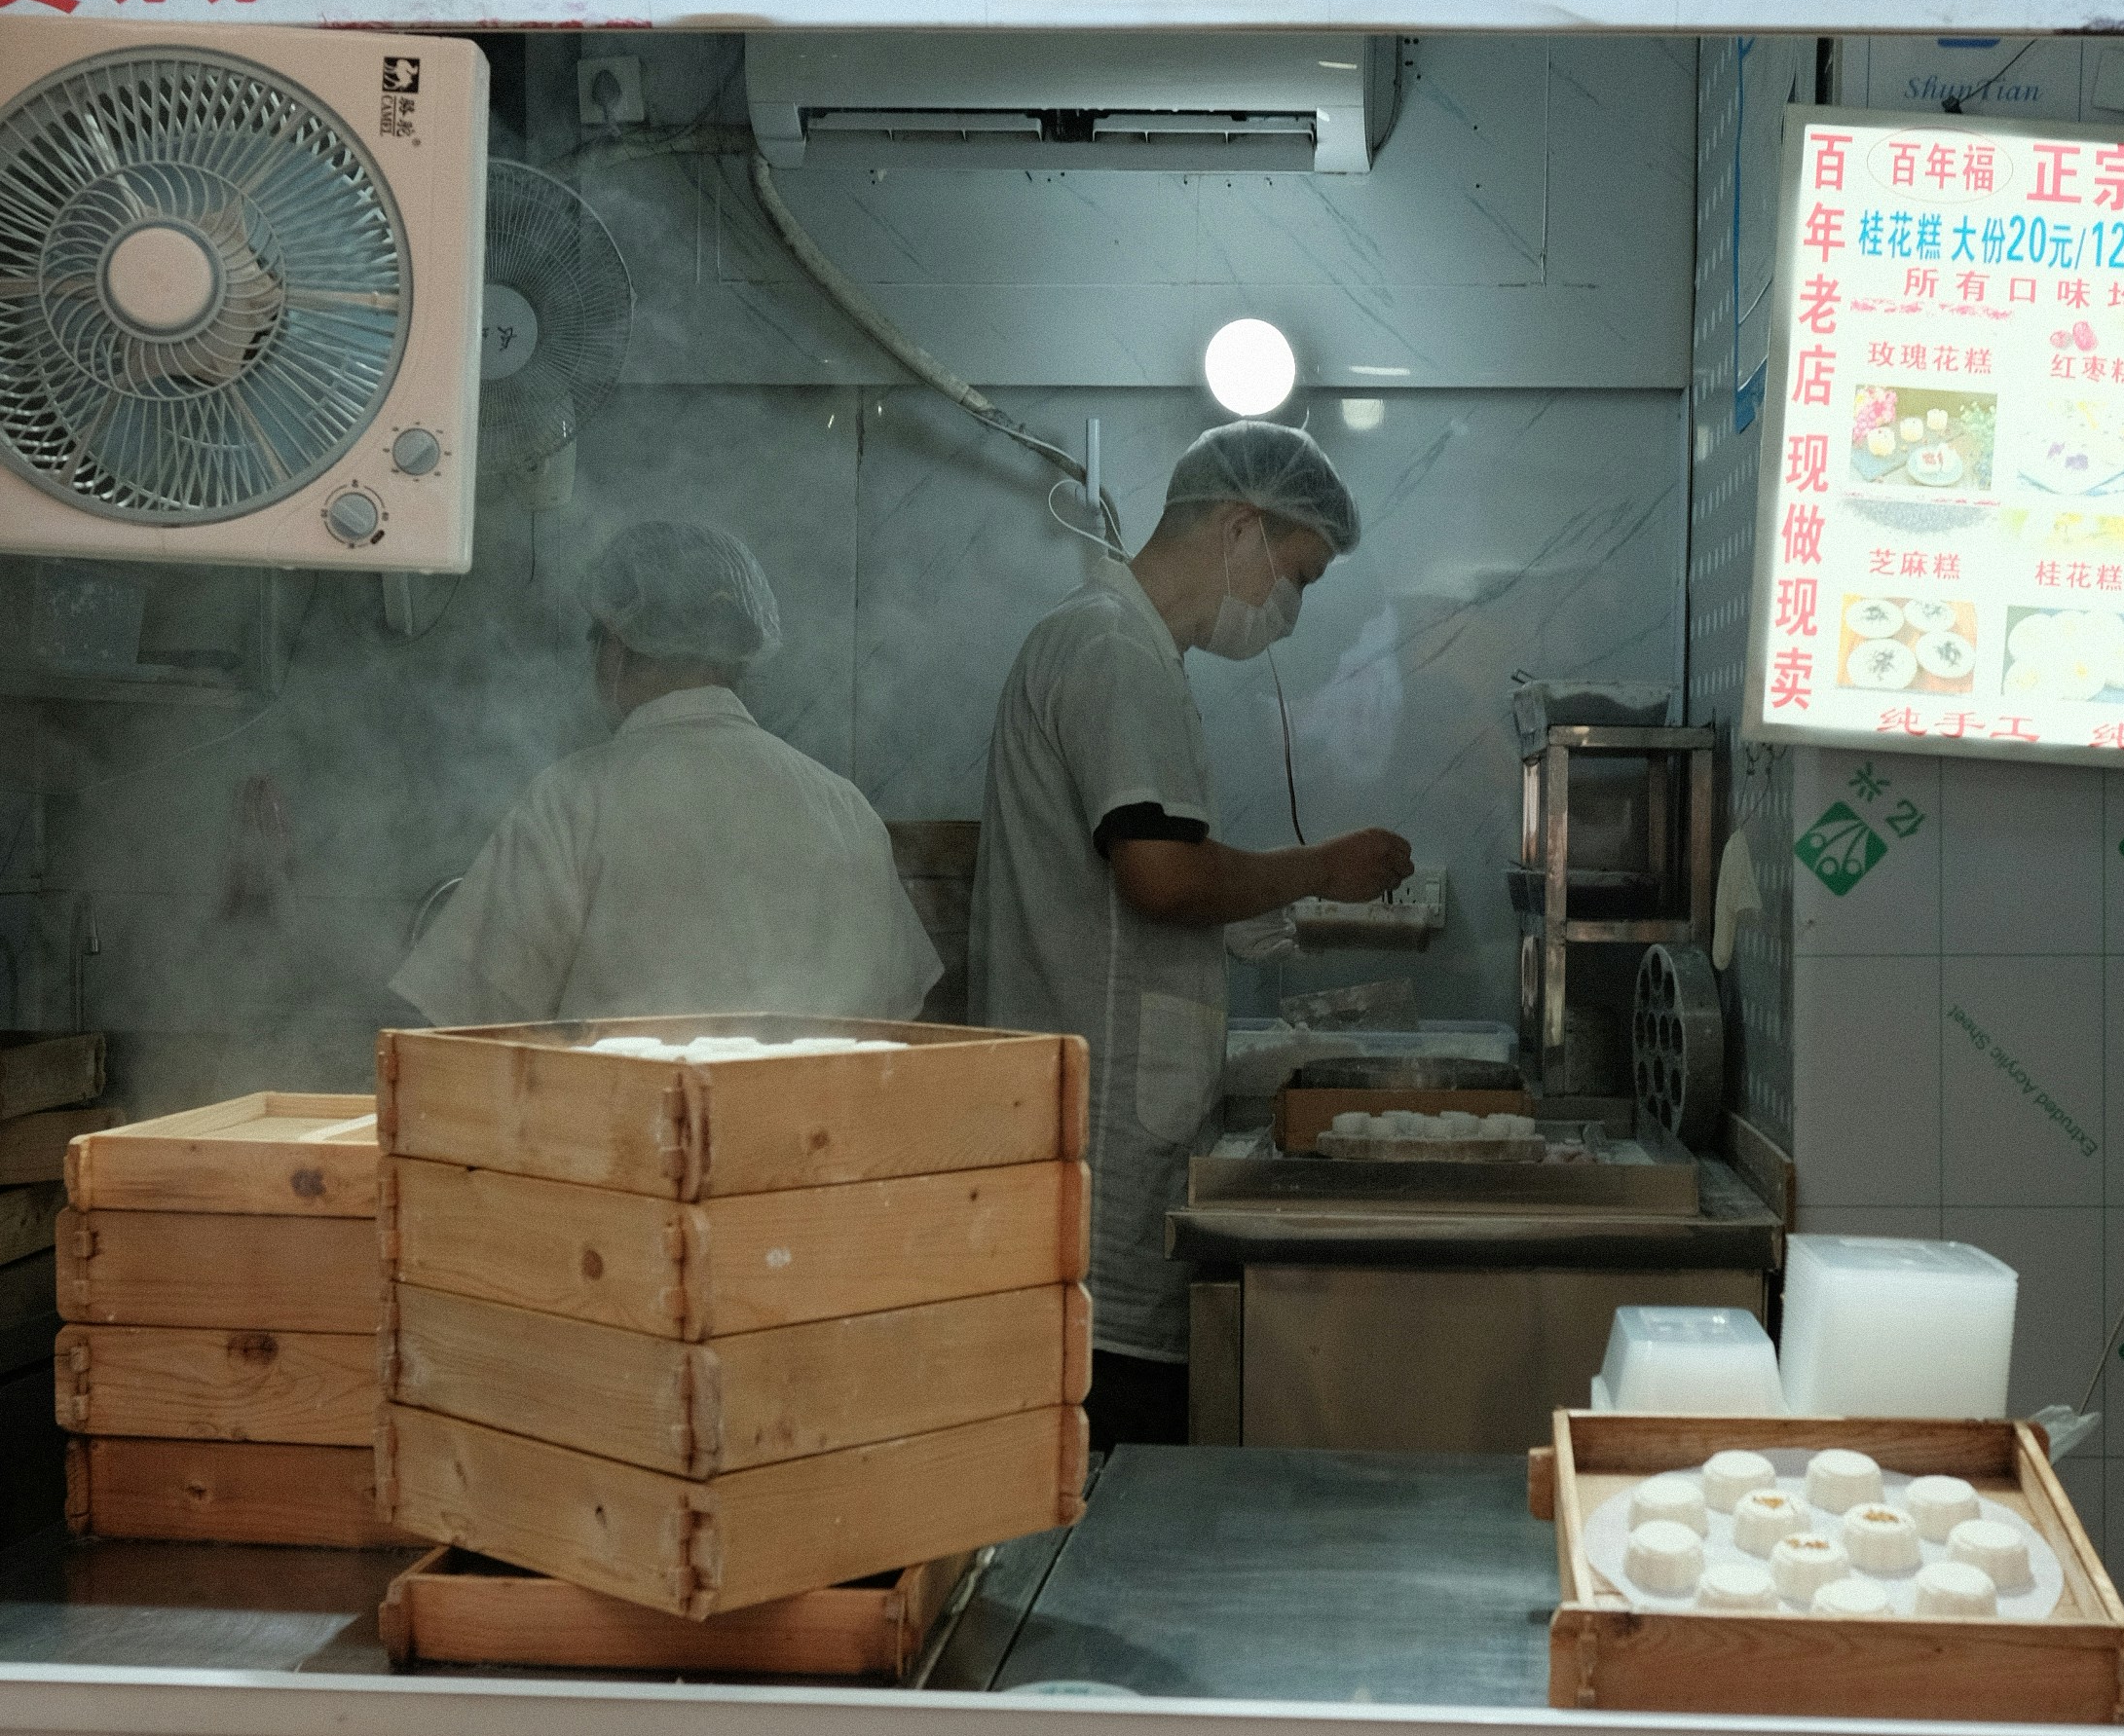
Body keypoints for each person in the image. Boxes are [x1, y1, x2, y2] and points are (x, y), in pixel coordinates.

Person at [971, 422, 1412, 1447]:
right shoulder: (1111, 647)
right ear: (1241, 525)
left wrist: (1268, 915)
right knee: (1103, 1464)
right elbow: (1161, 877)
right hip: (1097, 1158)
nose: (1289, 616)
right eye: (1293, 576)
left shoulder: (1130, 653)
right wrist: (1320, 870)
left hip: (1110, 1126)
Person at [396, 518, 937, 1026]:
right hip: (810, 1120)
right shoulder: (842, 806)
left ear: (615, 649)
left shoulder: (572, 799)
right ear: (742, 655)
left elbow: (476, 1019)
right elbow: (895, 1011)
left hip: (621, 1121)